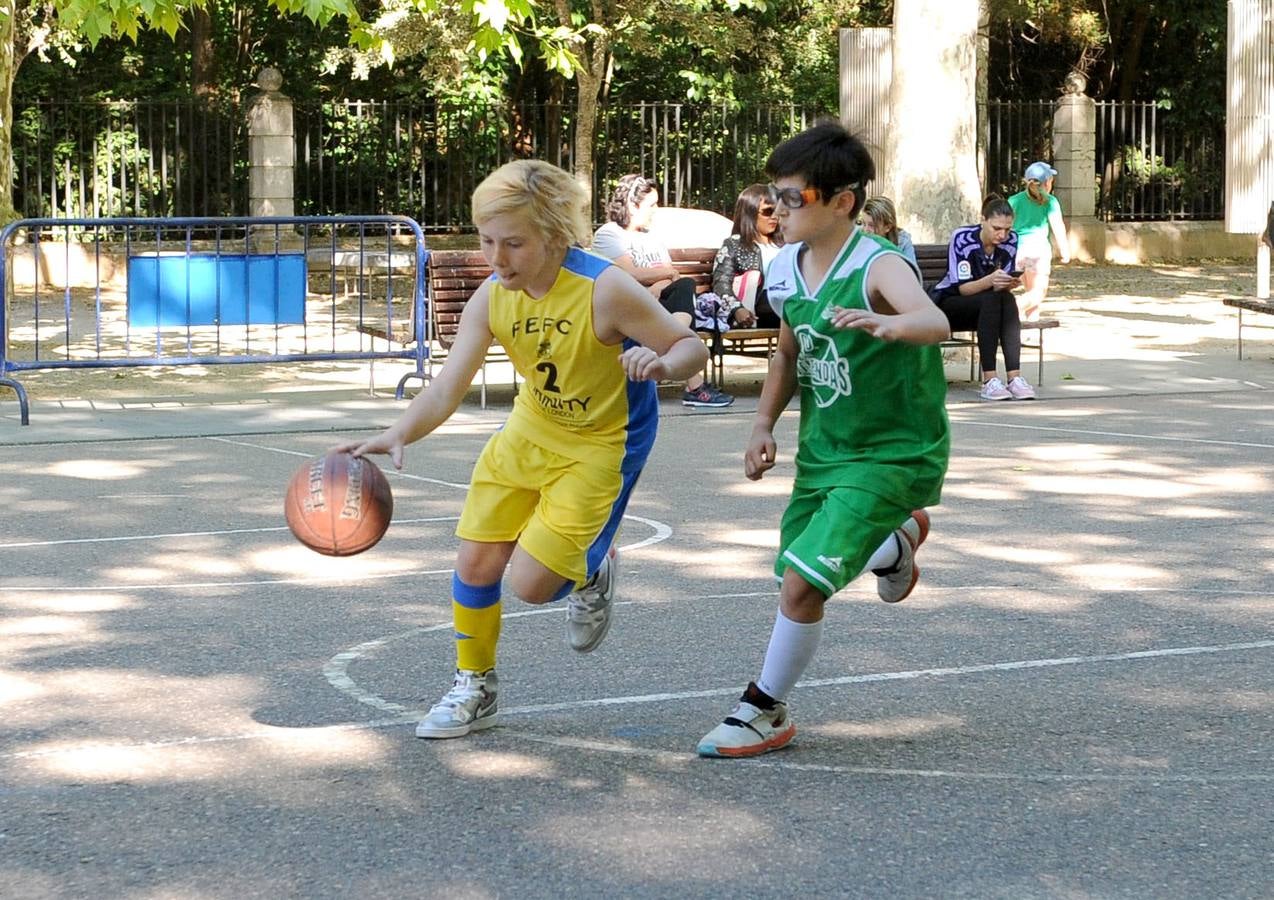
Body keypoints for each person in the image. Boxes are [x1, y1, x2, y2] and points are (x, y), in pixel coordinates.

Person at [339, 160, 709, 740]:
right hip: (530, 431)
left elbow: (690, 347)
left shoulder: (605, 289)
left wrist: (662, 363)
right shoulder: (492, 297)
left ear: (557, 236)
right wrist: (399, 431)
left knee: (532, 587)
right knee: (475, 562)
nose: (496, 257)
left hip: (601, 443)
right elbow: (446, 385)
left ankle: (593, 568)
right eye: (487, 241)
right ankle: (475, 685)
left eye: (513, 243)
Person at [696, 121, 951, 759]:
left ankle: (763, 708)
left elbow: (934, 318)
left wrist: (891, 327)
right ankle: (892, 548)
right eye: (772, 198)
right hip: (824, 452)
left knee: (801, 584)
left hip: (892, 449)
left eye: (792, 199)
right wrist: (761, 424)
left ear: (842, 202)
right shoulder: (783, 270)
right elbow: (788, 351)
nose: (774, 210)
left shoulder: (877, 265)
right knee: (797, 571)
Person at [592, 174, 734, 408]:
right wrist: (664, 276)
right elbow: (633, 274)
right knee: (680, 293)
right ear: (632, 205)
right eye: (651, 205)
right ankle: (694, 384)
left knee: (686, 285)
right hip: (629, 305)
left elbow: (674, 275)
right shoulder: (609, 234)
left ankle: (674, 347)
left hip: (658, 303)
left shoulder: (652, 237)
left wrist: (658, 284)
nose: (655, 211)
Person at [929, 196, 1034, 401]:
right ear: (983, 220)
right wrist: (991, 281)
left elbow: (1000, 281)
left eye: (1007, 229)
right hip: (950, 303)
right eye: (996, 228)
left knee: (1007, 300)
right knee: (991, 299)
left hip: (987, 307)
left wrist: (1008, 282)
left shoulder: (1011, 241)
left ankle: (1014, 378)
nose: (1002, 235)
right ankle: (989, 379)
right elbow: (963, 288)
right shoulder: (963, 238)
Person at [710, 183, 785, 328]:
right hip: (760, 306)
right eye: (768, 212)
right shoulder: (734, 245)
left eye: (777, 211)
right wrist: (737, 308)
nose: (775, 217)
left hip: (787, 301)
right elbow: (721, 283)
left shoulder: (787, 244)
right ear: (750, 213)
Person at [1008, 161, 1071, 321]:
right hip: (1038, 252)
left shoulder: (1014, 200)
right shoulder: (1050, 201)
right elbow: (1058, 226)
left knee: (1032, 293)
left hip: (1018, 252)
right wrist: (1064, 250)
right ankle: (1015, 306)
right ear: (1047, 182)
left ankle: (1030, 333)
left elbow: (1006, 226)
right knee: (1038, 294)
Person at [859, 196, 917, 266]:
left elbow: (911, 273)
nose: (865, 230)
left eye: (872, 225)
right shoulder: (859, 238)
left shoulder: (902, 242)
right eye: (863, 223)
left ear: (887, 227)